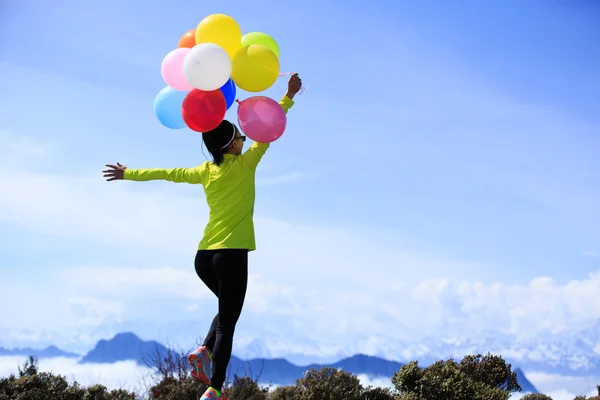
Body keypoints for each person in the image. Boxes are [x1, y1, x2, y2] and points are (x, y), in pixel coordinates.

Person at [102, 73, 303, 400]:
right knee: (228, 323)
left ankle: (202, 351)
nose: (245, 138)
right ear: (234, 144)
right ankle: (214, 388)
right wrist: (289, 95)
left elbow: (166, 173)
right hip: (232, 253)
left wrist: (128, 174)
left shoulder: (205, 171)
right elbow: (268, 129)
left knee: (227, 310)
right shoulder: (246, 164)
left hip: (204, 258)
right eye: (240, 135)